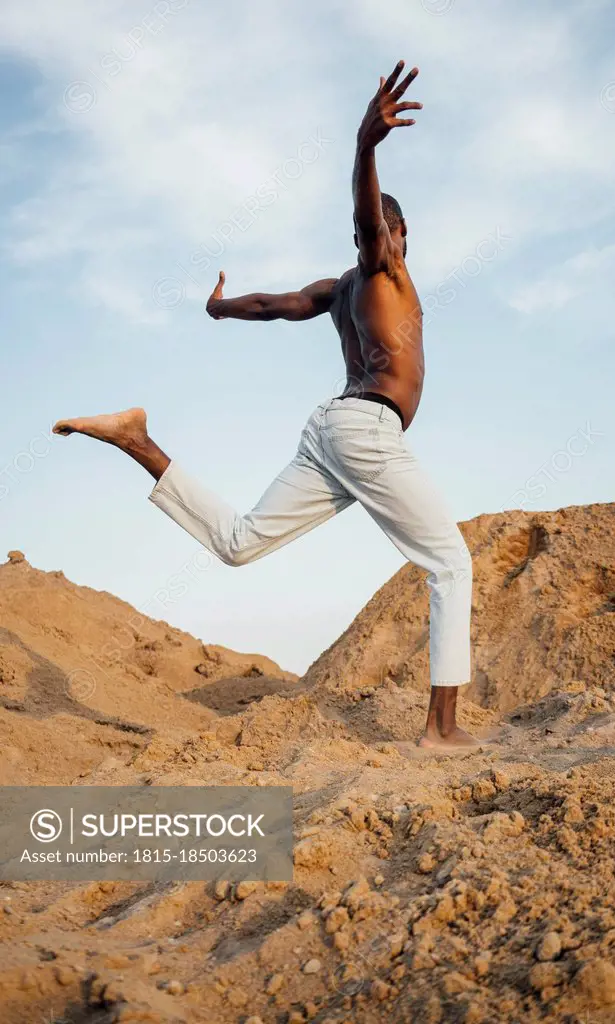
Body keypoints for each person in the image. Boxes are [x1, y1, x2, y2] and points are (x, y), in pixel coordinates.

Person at [53, 61, 476, 749]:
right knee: (451, 564)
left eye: (391, 236)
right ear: (391, 236)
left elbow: (274, 306)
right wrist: (365, 147)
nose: (390, 244)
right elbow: (366, 221)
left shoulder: (336, 288)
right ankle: (442, 729)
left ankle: (138, 442)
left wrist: (220, 309)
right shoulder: (382, 268)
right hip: (364, 430)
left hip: (333, 432)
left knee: (240, 545)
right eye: (386, 235)